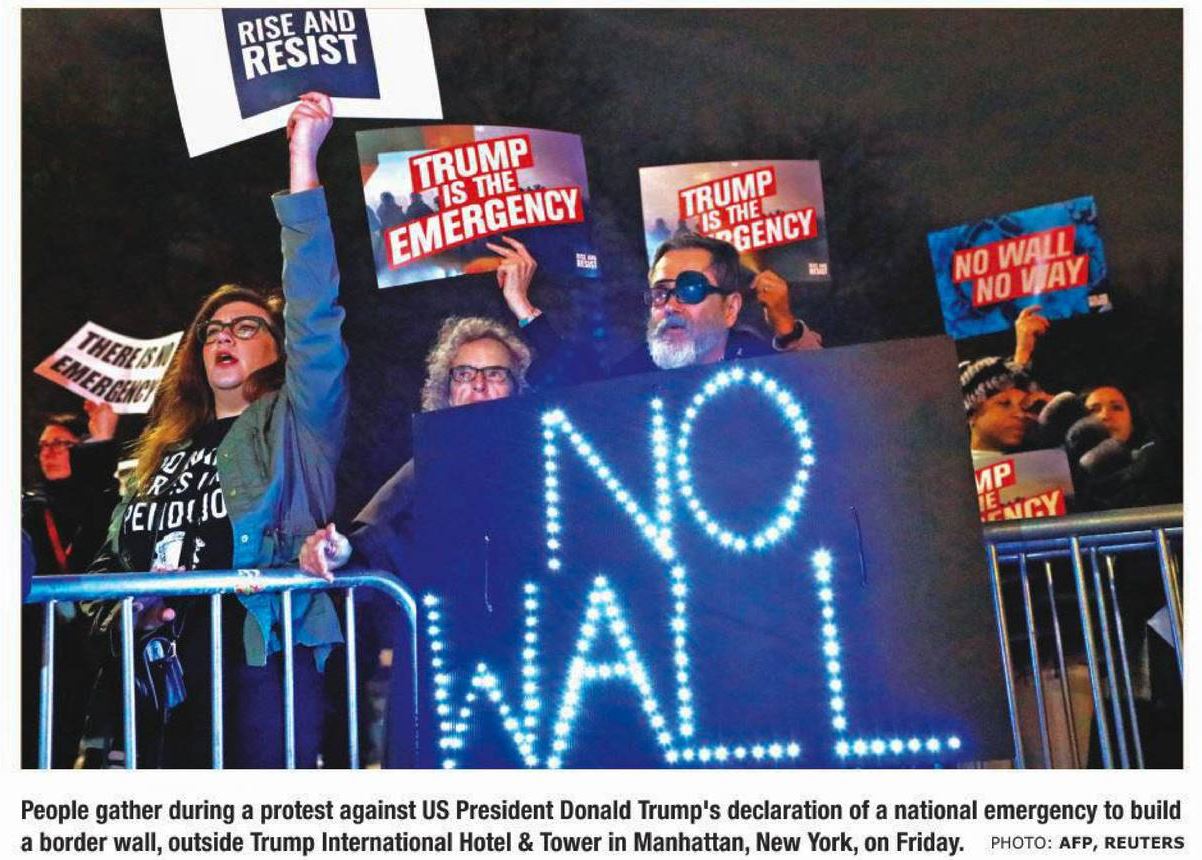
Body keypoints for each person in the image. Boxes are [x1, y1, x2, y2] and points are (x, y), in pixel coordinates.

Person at [78, 92, 347, 769]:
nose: (224, 336)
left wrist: (303, 160)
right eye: (212, 331)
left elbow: (316, 313)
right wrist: (129, 615)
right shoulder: (160, 448)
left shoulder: (297, 425)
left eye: (246, 326)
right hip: (160, 687)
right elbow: (107, 563)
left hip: (258, 670)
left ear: (278, 348)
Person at [300, 314, 532, 767]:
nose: (479, 385)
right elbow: (377, 536)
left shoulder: (546, 453)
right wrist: (339, 550)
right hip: (448, 668)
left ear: (517, 387)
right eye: (464, 374)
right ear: (446, 390)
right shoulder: (427, 464)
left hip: (531, 661)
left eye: (495, 374)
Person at [21, 402, 120, 768]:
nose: (48, 453)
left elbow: (100, 514)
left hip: (86, 646)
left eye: (60, 444)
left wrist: (102, 443)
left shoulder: (102, 502)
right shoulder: (28, 507)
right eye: (43, 446)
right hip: (36, 646)